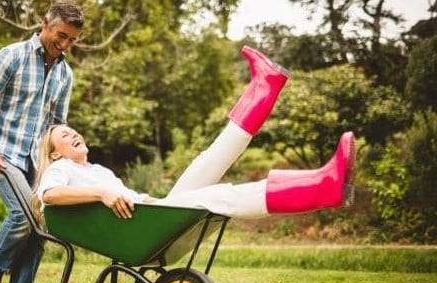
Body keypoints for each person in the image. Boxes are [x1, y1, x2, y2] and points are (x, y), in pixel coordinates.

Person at [32, 46, 355, 221]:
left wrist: (148, 199)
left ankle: (265, 87)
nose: (73, 133)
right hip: (143, 229)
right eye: (63, 135)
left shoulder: (97, 170)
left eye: (72, 129)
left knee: (209, 159)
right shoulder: (61, 169)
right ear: (56, 152)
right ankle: (322, 187)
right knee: (222, 196)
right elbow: (49, 196)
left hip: (150, 218)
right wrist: (102, 194)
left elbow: (133, 198)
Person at [0, 0, 84, 283]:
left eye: (72, 39)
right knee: (23, 214)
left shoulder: (65, 74)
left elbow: (57, 122)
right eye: (61, 35)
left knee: (41, 220)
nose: (65, 43)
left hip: (37, 159)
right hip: (2, 152)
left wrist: (62, 158)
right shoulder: (12, 56)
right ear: (45, 23)